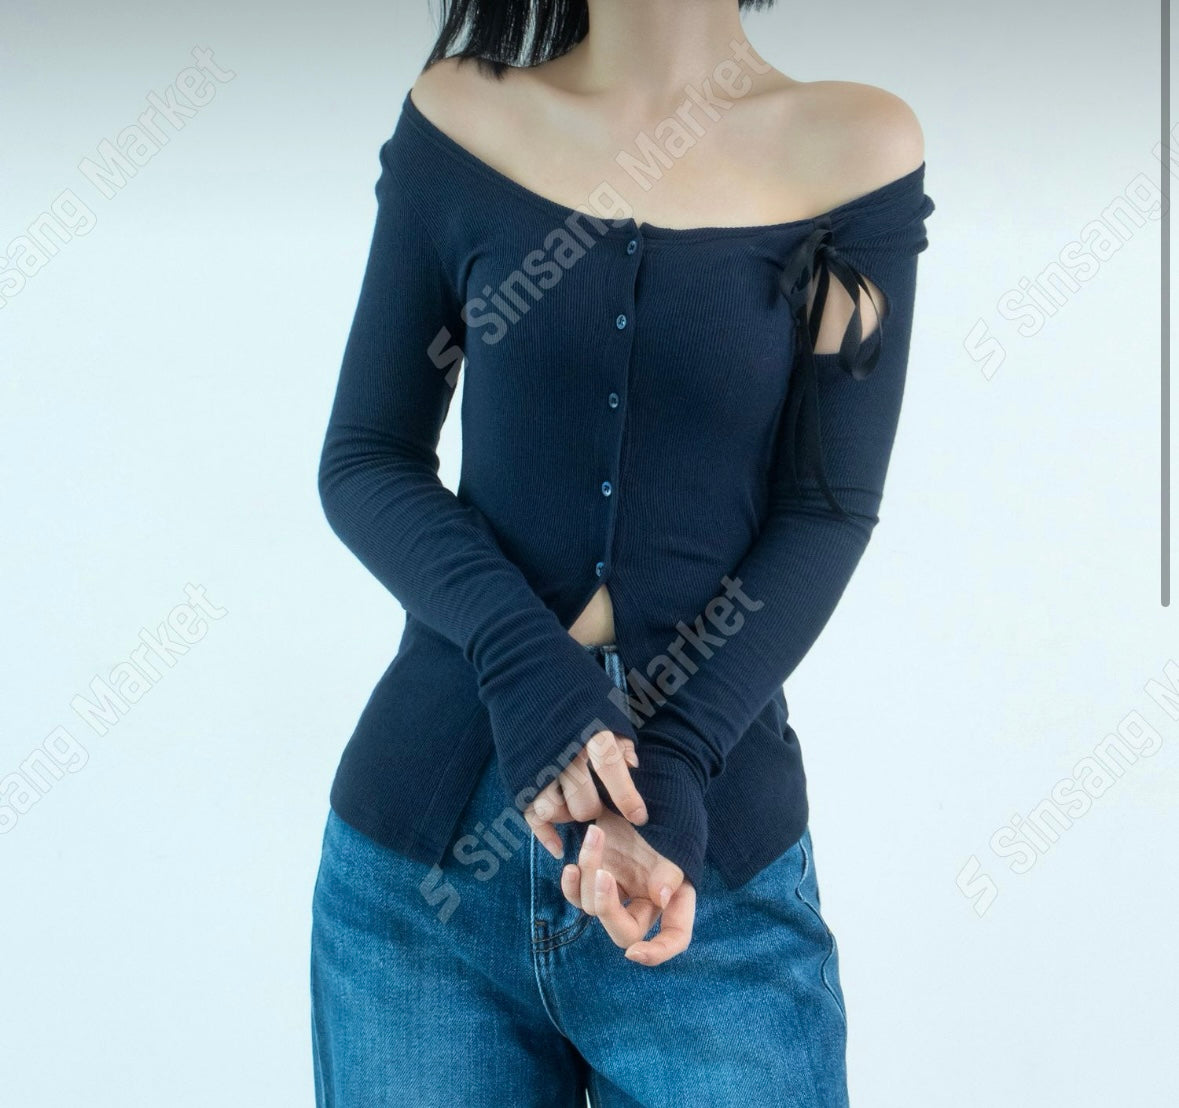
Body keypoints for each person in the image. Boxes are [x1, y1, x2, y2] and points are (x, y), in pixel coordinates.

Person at [310, 0, 934, 1103]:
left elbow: (826, 507)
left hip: (704, 868)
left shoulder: (854, 148)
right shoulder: (462, 116)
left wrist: (676, 760)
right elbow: (367, 457)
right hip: (420, 887)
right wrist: (525, 664)